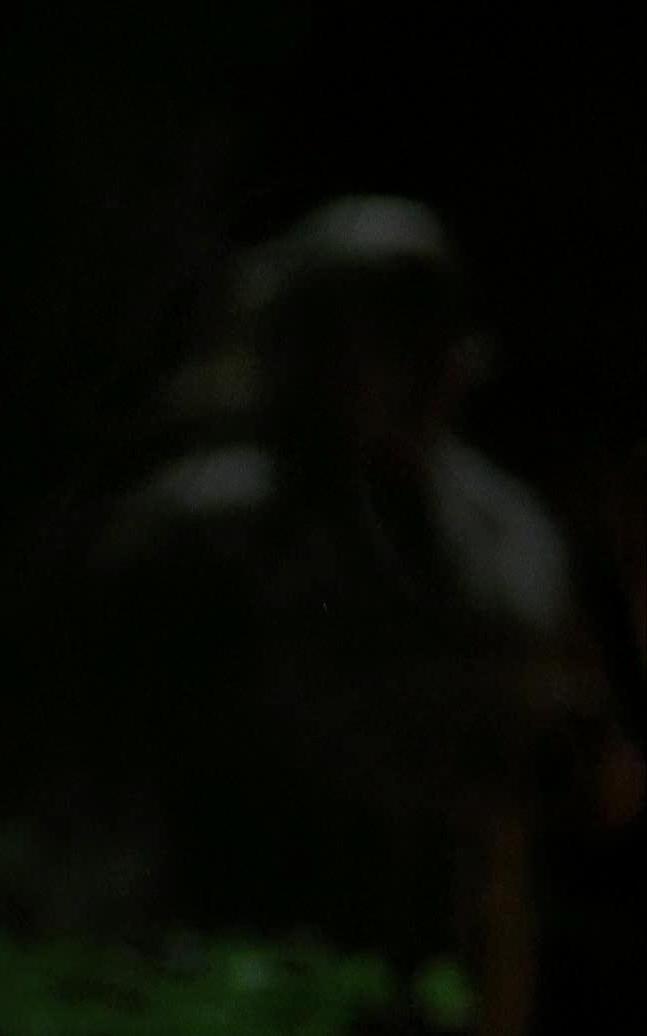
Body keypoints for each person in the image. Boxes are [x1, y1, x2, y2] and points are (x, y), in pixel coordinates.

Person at [84, 196, 640, 1034]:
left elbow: (578, 767)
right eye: (366, 334)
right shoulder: (200, 528)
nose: (393, 369)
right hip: (234, 968)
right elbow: (121, 767)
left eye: (417, 334)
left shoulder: (504, 533)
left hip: (452, 972)